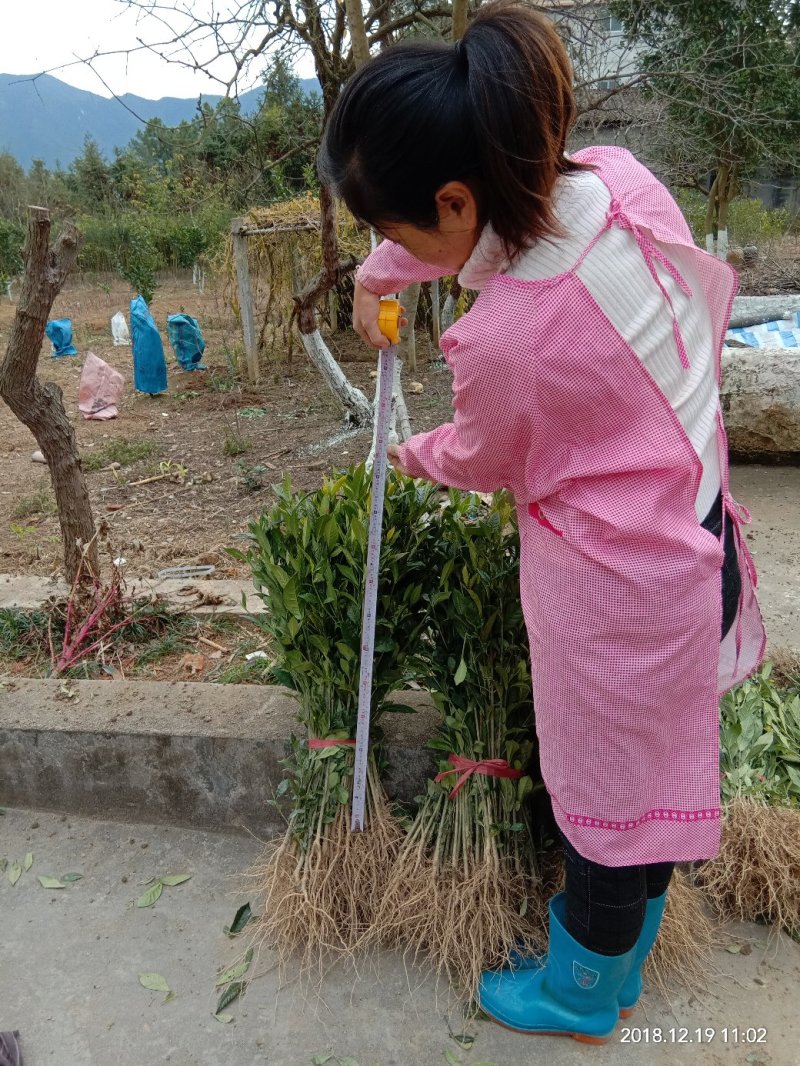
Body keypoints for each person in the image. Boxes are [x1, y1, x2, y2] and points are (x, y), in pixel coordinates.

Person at [319, 0, 766, 1044]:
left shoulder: (514, 341)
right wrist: (386, 272)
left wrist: (408, 454)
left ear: (453, 197)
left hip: (619, 602)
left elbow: (485, 457)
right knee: (649, 783)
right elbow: (478, 237)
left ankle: (579, 994)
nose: (388, 248)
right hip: (694, 538)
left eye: (390, 229)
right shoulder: (607, 179)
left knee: (601, 811)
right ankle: (622, 965)